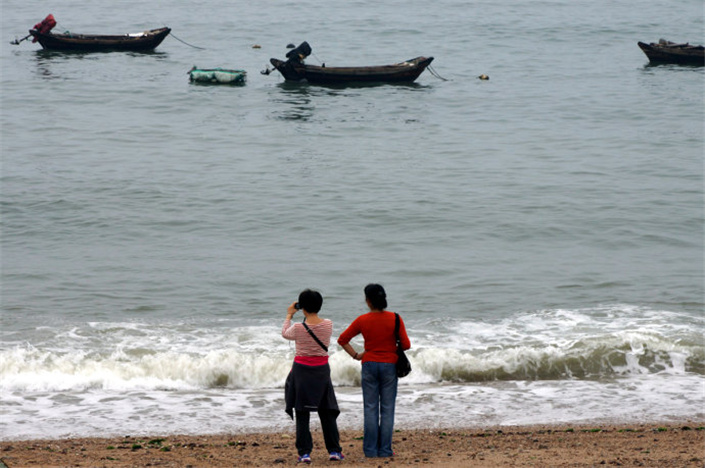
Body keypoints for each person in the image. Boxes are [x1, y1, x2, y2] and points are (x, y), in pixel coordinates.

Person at [337, 284, 411, 458]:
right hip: (389, 366)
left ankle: (370, 451)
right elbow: (406, 345)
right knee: (387, 409)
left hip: (369, 364)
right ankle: (385, 450)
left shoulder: (362, 320)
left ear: (368, 301)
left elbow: (343, 339)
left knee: (370, 408)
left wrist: (356, 355)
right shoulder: (396, 319)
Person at [282, 289, 344, 464]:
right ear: (320, 306)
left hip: (301, 371)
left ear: (302, 307)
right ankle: (334, 451)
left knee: (302, 412)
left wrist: (289, 315)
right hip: (322, 370)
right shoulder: (328, 324)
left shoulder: (298, 327)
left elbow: (285, 334)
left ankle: (304, 453)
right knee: (327, 411)